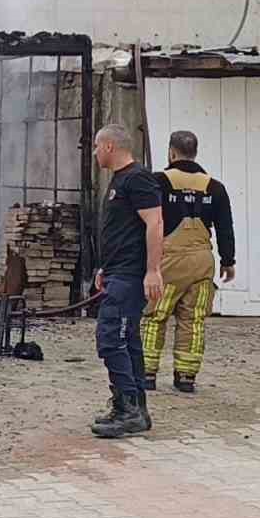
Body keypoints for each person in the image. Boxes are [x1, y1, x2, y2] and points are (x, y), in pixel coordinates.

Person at [140, 131, 235, 394]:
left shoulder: (157, 182)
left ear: (172, 152)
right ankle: (186, 377)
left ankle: (147, 374)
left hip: (168, 262)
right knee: (193, 321)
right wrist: (228, 261)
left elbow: (145, 222)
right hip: (202, 263)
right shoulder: (215, 187)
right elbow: (225, 228)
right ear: (195, 152)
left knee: (155, 317)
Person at [89, 124, 164, 439]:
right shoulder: (119, 180)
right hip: (118, 272)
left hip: (131, 275)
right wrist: (104, 267)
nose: (94, 152)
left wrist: (153, 270)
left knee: (111, 338)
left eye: (96, 146)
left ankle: (127, 410)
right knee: (127, 340)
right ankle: (135, 409)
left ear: (109, 146)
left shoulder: (137, 178)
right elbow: (121, 229)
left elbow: (155, 223)